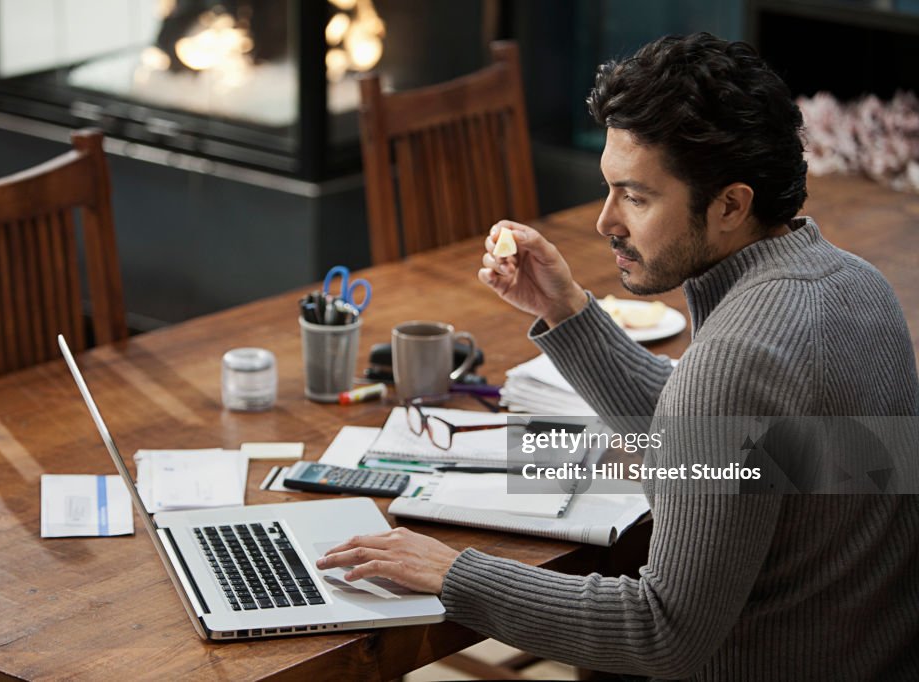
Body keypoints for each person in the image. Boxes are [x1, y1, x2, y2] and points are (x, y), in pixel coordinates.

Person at [317, 33, 919, 679]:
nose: (606, 221)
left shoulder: (737, 358)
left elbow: (662, 631)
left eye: (635, 196)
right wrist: (568, 311)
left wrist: (453, 571)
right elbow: (722, 450)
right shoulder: (856, 284)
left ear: (730, 204)